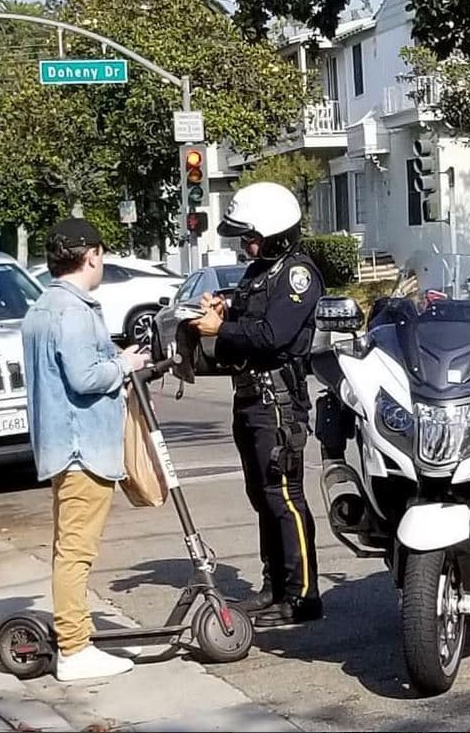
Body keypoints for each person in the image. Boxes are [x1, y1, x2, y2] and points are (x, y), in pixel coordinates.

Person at [190, 182, 324, 627]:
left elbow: (273, 335)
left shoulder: (297, 274)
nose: (247, 246)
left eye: (252, 237)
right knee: (262, 497)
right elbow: (248, 320)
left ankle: (303, 595)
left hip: (278, 401)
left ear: (277, 233)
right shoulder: (260, 272)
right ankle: (275, 586)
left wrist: (219, 331)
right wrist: (223, 312)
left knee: (284, 496)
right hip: (249, 397)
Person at [21, 217, 149, 682]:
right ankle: (75, 649)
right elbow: (85, 377)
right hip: (82, 448)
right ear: (91, 255)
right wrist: (125, 362)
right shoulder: (74, 311)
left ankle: (78, 636)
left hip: (61, 445)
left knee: (67, 548)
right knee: (76, 552)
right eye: (102, 256)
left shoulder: (41, 307)